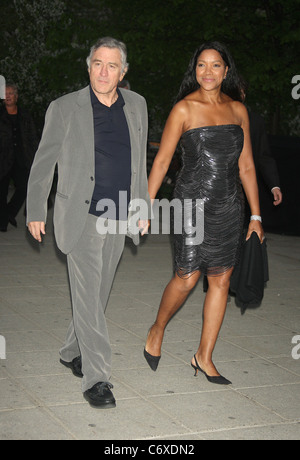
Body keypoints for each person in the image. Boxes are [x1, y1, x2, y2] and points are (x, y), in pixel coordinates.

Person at [27, 37, 150, 409]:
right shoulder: (65, 108)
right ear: (88, 66)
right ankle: (97, 378)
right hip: (81, 216)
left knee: (95, 296)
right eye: (98, 63)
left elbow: (139, 163)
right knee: (89, 299)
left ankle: (69, 350)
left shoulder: (138, 106)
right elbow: (43, 161)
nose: (103, 72)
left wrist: (141, 208)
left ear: (123, 72)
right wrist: (35, 208)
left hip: (119, 214)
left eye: (112, 66)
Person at [143, 41, 264, 385]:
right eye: (201, 65)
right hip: (190, 203)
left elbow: (247, 167)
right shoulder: (184, 109)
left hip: (229, 206)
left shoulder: (239, 110)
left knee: (221, 281)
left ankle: (204, 356)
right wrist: (147, 204)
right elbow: (163, 160)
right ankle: (157, 328)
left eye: (215, 65)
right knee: (187, 277)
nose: (207, 72)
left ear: (227, 71)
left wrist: (255, 216)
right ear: (194, 70)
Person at [0, 83, 38, 232]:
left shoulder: (24, 115)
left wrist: (37, 156)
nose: (8, 96)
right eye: (5, 94)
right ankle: (2, 223)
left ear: (16, 96)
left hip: (22, 159)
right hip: (3, 159)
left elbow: (32, 137)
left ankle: (9, 212)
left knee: (25, 187)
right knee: (1, 192)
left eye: (11, 93)